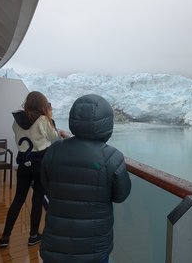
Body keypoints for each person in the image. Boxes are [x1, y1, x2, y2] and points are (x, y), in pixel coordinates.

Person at [40, 94, 131, 263]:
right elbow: (120, 195)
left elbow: (46, 184)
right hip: (93, 246)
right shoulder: (112, 157)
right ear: (106, 122)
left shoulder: (55, 150)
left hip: (56, 242)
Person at [0, 91, 67, 248]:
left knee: (18, 199)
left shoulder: (16, 121)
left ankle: (5, 237)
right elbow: (53, 138)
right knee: (37, 199)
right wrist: (52, 122)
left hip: (23, 164)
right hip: (40, 165)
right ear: (42, 104)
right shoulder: (43, 119)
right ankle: (33, 236)